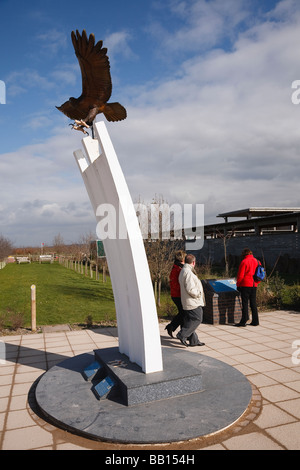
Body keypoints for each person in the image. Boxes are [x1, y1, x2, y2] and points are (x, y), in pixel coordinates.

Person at [176, 254, 205, 347]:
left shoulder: (184, 270)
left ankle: (194, 341)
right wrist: (198, 294)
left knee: (190, 321)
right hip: (192, 301)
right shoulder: (188, 272)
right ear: (193, 262)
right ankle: (182, 334)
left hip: (188, 301)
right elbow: (190, 289)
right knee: (197, 319)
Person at [236, 248, 260, 327]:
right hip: (254, 284)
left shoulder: (244, 262)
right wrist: (257, 282)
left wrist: (238, 285)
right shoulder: (257, 261)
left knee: (245, 303)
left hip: (245, 285)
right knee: (253, 303)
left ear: (244, 254)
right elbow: (260, 273)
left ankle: (244, 321)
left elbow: (240, 275)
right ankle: (255, 321)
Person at [165, 250, 186, 338]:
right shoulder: (179, 268)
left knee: (182, 313)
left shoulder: (176, 267)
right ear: (182, 258)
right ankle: (172, 327)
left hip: (175, 294)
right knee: (183, 313)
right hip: (178, 295)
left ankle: (175, 328)